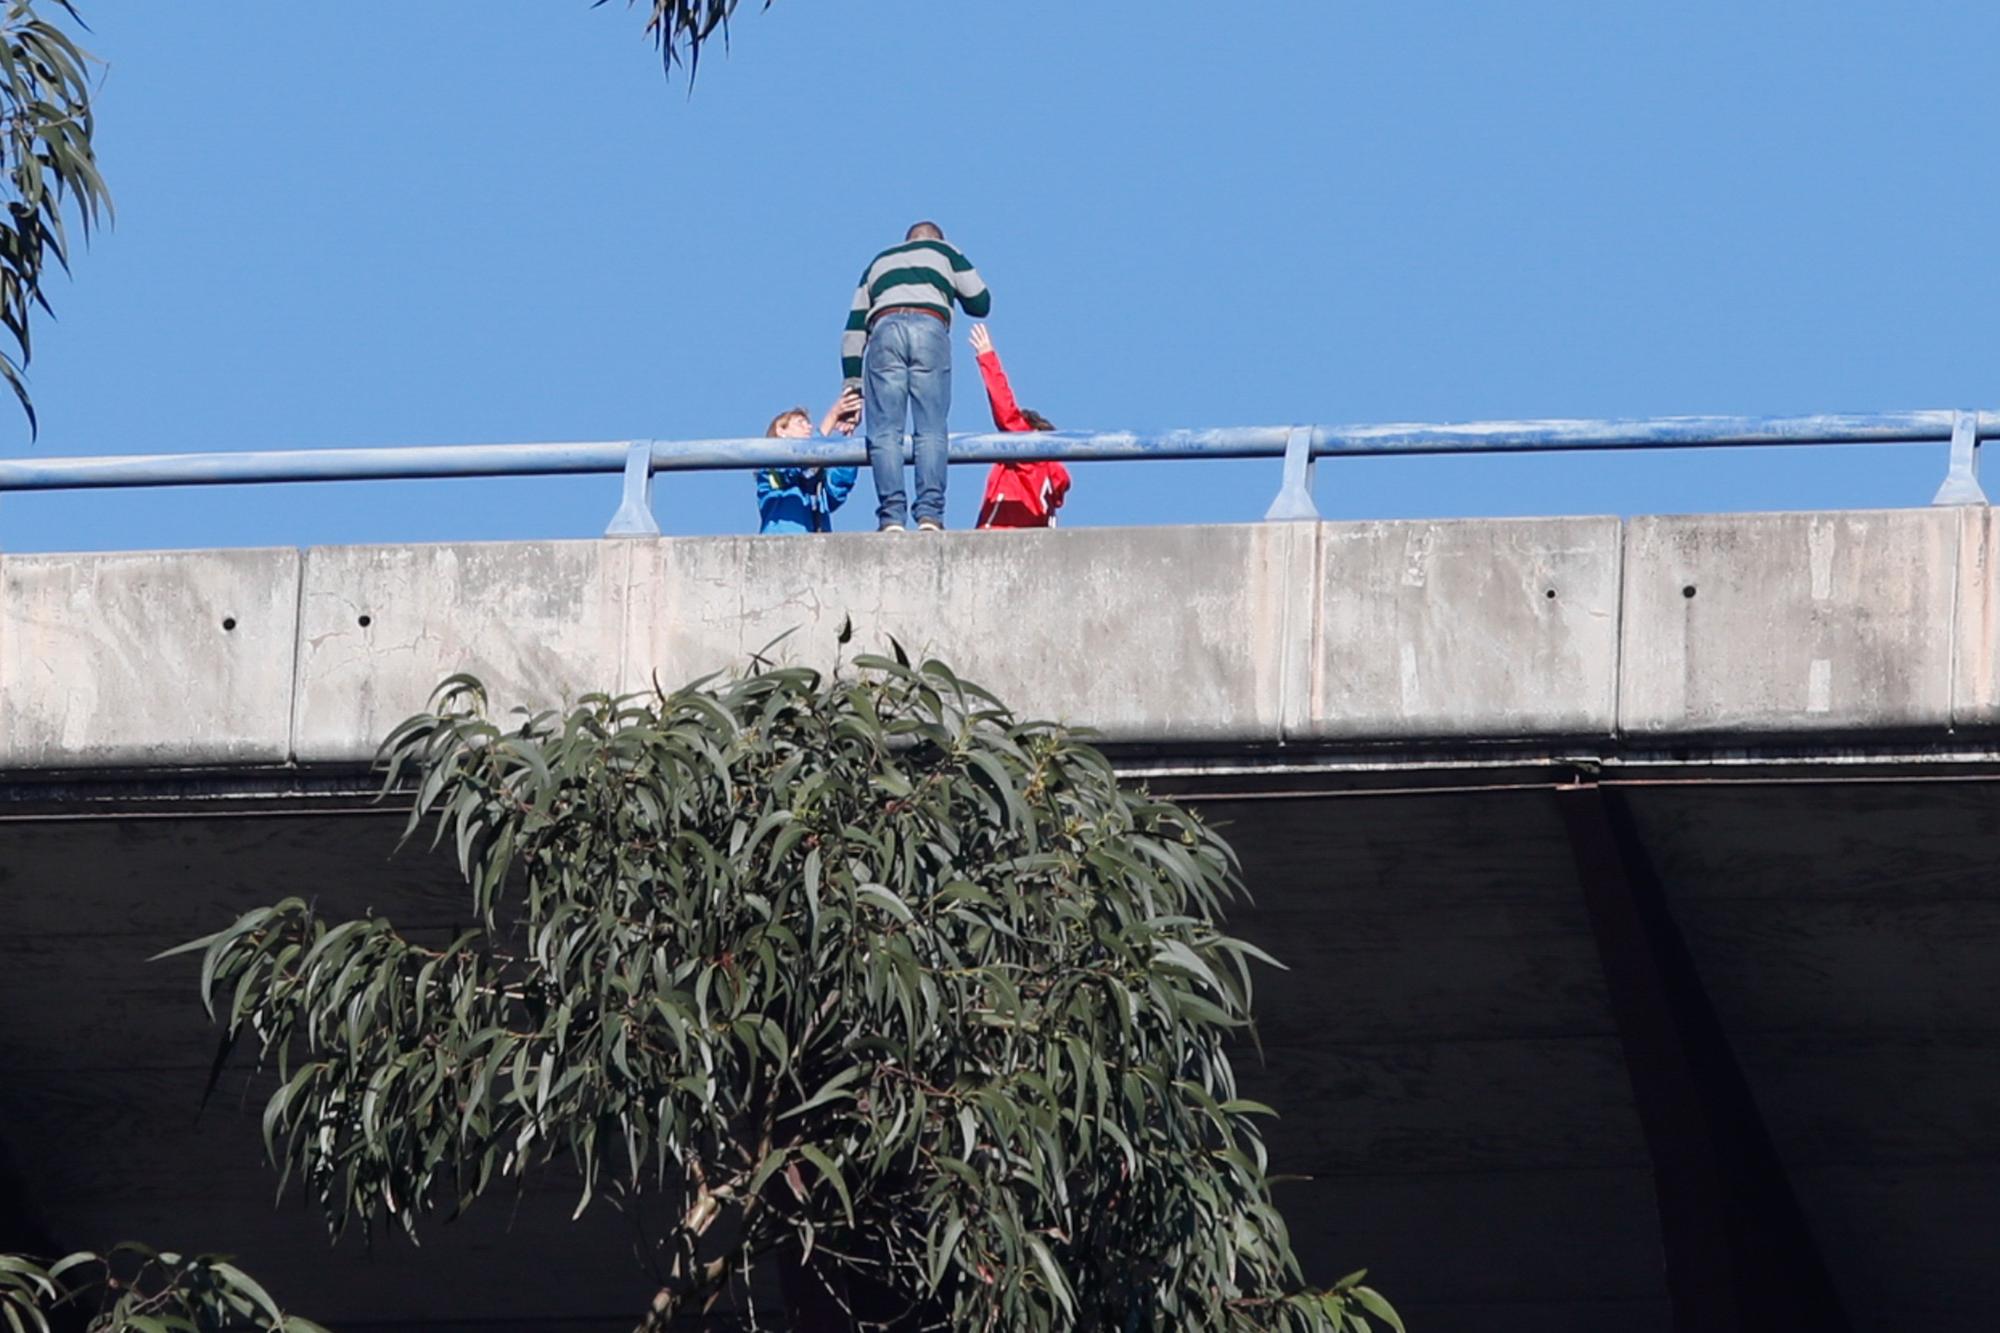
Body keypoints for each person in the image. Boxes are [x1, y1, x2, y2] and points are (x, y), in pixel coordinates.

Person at [841, 221, 991, 532]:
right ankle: (930, 516)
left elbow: (853, 330)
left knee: (884, 433)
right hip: (929, 326)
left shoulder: (879, 261)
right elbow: (980, 301)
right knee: (931, 430)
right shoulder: (945, 252)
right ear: (937, 240)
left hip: (883, 330)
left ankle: (891, 517)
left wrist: (853, 384)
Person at [968, 324, 1070, 530]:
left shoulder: (1028, 457)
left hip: (1000, 538)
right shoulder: (1049, 477)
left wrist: (987, 356)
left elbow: (1006, 411)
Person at [755, 389, 862, 534]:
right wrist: (832, 416)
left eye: (808, 424)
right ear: (781, 430)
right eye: (800, 423)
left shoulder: (814, 471)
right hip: (780, 545)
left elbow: (836, 491)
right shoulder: (770, 463)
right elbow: (790, 469)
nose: (809, 427)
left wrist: (847, 437)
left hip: (817, 547)